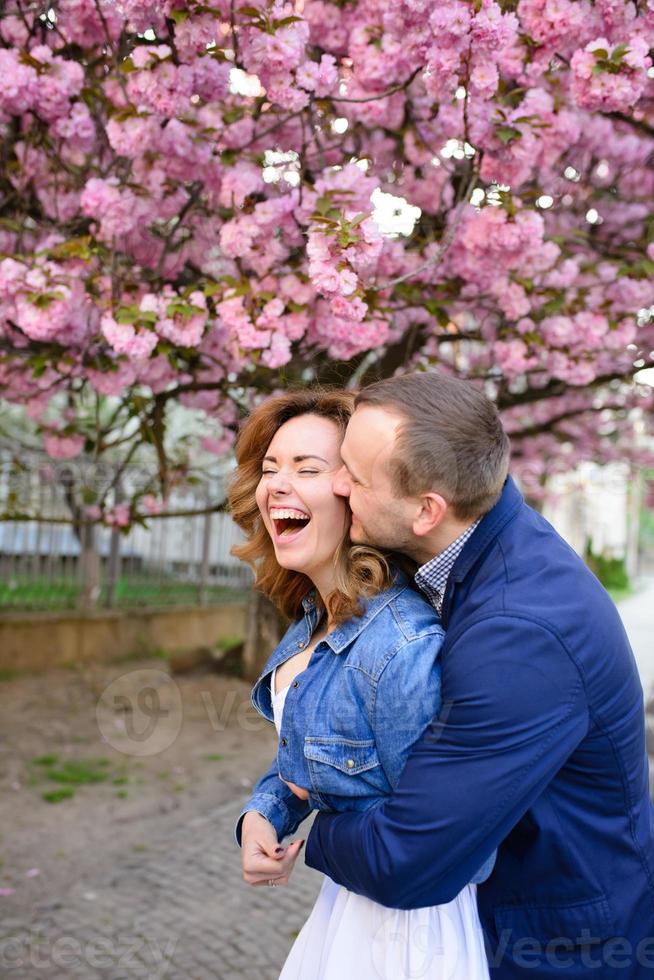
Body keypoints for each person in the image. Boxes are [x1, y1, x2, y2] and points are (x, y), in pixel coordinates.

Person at [295, 371, 654, 979]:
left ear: (426, 509)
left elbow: (407, 861)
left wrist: (314, 829)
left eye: (353, 477)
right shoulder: (469, 547)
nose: (335, 485)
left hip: (556, 951)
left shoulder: (520, 634)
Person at [229, 388, 495, 980]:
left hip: (411, 936)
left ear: (355, 491)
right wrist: (262, 815)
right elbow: (308, 761)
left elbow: (442, 841)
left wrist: (321, 833)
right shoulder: (310, 622)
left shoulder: (401, 647)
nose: (275, 484)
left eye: (307, 468)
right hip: (347, 914)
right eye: (269, 468)